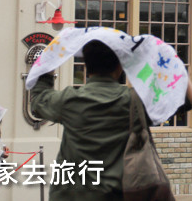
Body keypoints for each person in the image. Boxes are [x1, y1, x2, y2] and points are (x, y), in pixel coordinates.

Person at [28, 40, 154, 200]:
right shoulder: (134, 102)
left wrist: (48, 63)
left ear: (86, 67)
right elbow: (186, 100)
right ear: (120, 67)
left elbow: (39, 99)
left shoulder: (70, 100)